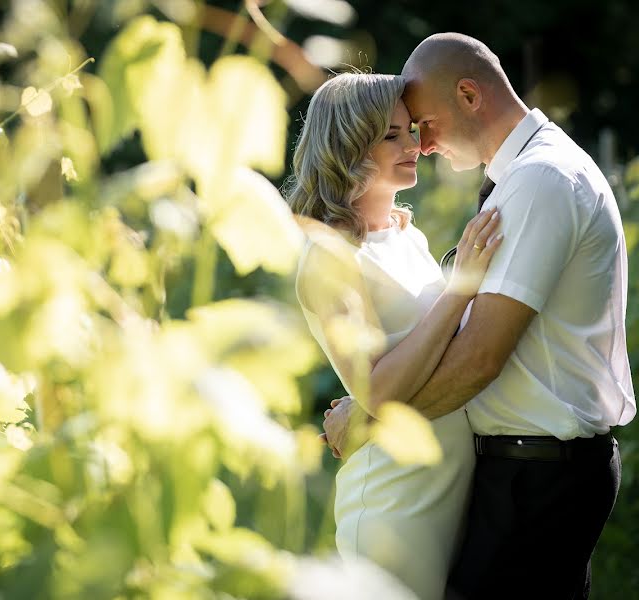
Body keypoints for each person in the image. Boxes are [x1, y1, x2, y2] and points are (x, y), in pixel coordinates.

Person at [322, 33, 637, 599]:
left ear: (469, 94)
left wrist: (369, 424)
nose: (423, 142)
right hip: (521, 471)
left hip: (540, 472)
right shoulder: (522, 178)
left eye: (422, 122)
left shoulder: (542, 180)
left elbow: (480, 358)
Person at [285, 72, 503, 599]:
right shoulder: (328, 256)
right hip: (394, 505)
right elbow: (379, 389)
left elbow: (436, 351)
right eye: (391, 136)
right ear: (347, 146)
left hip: (451, 489)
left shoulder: (407, 235)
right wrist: (460, 289)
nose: (416, 146)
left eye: (410, 130)